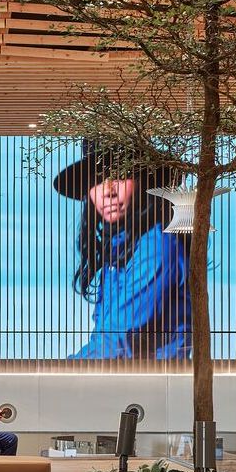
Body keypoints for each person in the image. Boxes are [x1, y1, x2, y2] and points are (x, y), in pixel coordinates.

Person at [53, 138, 192, 360]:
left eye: (119, 176)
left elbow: (115, 341)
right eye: (97, 181)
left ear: (144, 181)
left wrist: (58, 374)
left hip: (148, 386)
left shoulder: (156, 248)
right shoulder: (120, 253)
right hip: (129, 384)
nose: (108, 191)